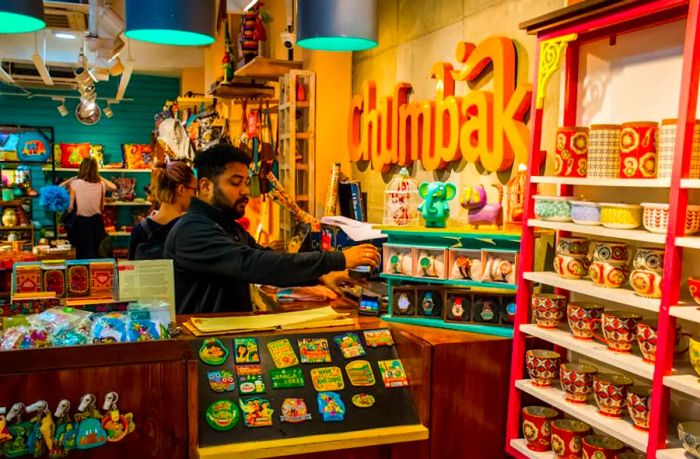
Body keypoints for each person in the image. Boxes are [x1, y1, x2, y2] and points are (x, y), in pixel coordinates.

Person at [164, 144, 380, 314]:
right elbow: (253, 265)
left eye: (246, 182)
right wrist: (338, 259)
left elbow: (264, 257)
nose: (245, 191)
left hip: (225, 342)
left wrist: (322, 277)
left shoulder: (225, 225)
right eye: (236, 182)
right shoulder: (192, 231)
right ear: (205, 186)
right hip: (201, 351)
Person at [128, 160, 196, 259]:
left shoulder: (140, 229)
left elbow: (130, 270)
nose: (195, 196)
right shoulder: (190, 229)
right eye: (194, 190)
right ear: (181, 189)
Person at [63, 157, 116, 259]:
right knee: (98, 255)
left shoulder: (75, 183)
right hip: (97, 224)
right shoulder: (101, 185)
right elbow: (102, 207)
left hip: (80, 225)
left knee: (81, 256)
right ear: (95, 169)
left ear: (81, 168)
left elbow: (69, 206)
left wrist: (71, 179)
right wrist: (99, 177)